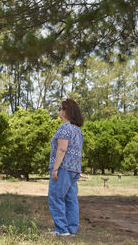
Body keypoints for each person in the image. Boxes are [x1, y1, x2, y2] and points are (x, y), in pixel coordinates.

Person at [48, 98, 84, 236]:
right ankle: (71, 229)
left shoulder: (64, 128)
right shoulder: (78, 130)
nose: (60, 111)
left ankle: (61, 230)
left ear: (65, 112)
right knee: (71, 199)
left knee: (56, 197)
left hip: (63, 168)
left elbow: (62, 149)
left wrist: (55, 169)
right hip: (74, 169)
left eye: (61, 108)